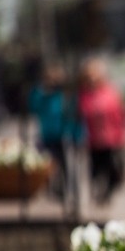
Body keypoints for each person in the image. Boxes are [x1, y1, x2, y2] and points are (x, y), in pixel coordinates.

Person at [76, 58, 125, 205]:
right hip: (93, 141)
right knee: (95, 170)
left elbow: (122, 115)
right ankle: (99, 193)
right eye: (89, 77)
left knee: (113, 171)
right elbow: (80, 116)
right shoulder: (83, 95)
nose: (92, 80)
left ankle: (107, 192)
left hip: (111, 139)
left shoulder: (111, 92)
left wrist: (123, 136)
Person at [28, 63, 84, 199]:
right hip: (47, 135)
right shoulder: (42, 96)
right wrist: (40, 90)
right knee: (49, 165)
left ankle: (68, 189)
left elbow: (74, 115)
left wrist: (77, 134)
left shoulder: (65, 96)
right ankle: (53, 189)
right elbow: (33, 106)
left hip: (63, 135)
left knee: (66, 165)